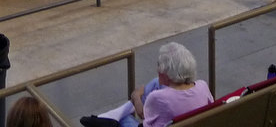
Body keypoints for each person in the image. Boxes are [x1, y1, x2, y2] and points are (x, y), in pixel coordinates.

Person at [80, 42, 213, 127]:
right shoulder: (202, 86)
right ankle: (107, 116)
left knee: (124, 119)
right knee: (156, 82)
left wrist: (136, 96)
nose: (157, 69)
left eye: (159, 65)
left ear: (165, 72)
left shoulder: (159, 98)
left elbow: (143, 115)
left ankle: (109, 117)